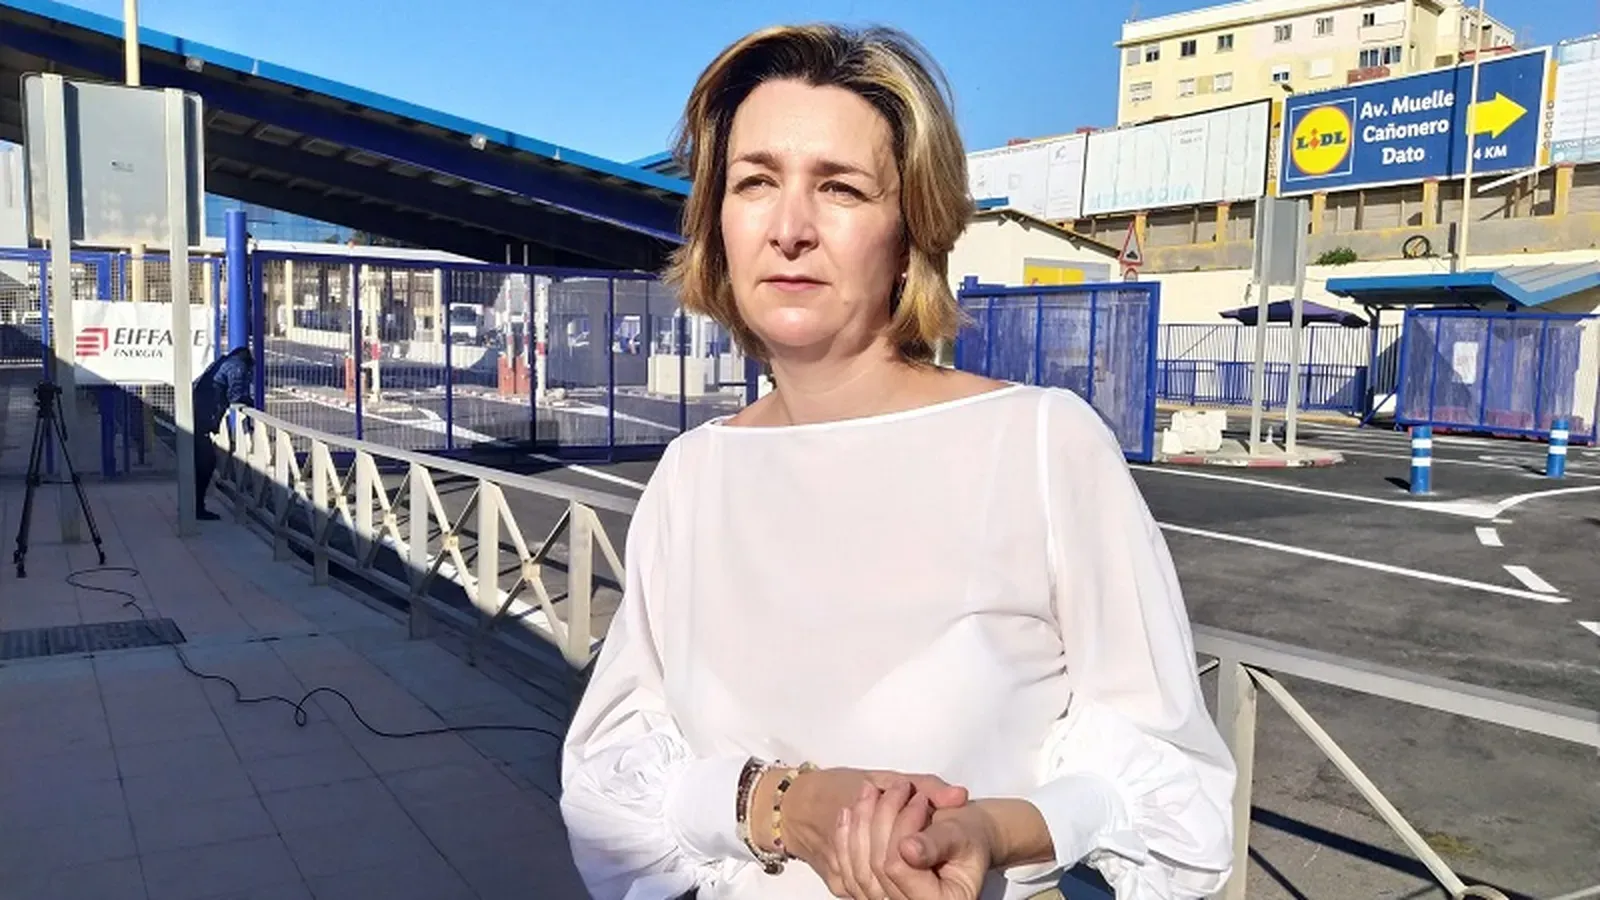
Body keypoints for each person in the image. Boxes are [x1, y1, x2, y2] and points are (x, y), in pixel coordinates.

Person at [559, 24, 1235, 900]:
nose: (790, 229)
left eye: (839, 188)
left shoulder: (1040, 444)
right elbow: (609, 791)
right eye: (755, 182)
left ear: (912, 229)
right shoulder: (691, 475)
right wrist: (782, 804)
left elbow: (1169, 787)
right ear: (716, 222)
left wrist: (987, 830)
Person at [192, 345, 254, 520]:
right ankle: (197, 508)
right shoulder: (238, 366)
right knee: (206, 463)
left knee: (201, 463)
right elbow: (236, 395)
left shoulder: (222, 362)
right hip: (204, 417)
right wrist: (250, 402)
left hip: (197, 412)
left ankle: (194, 506)